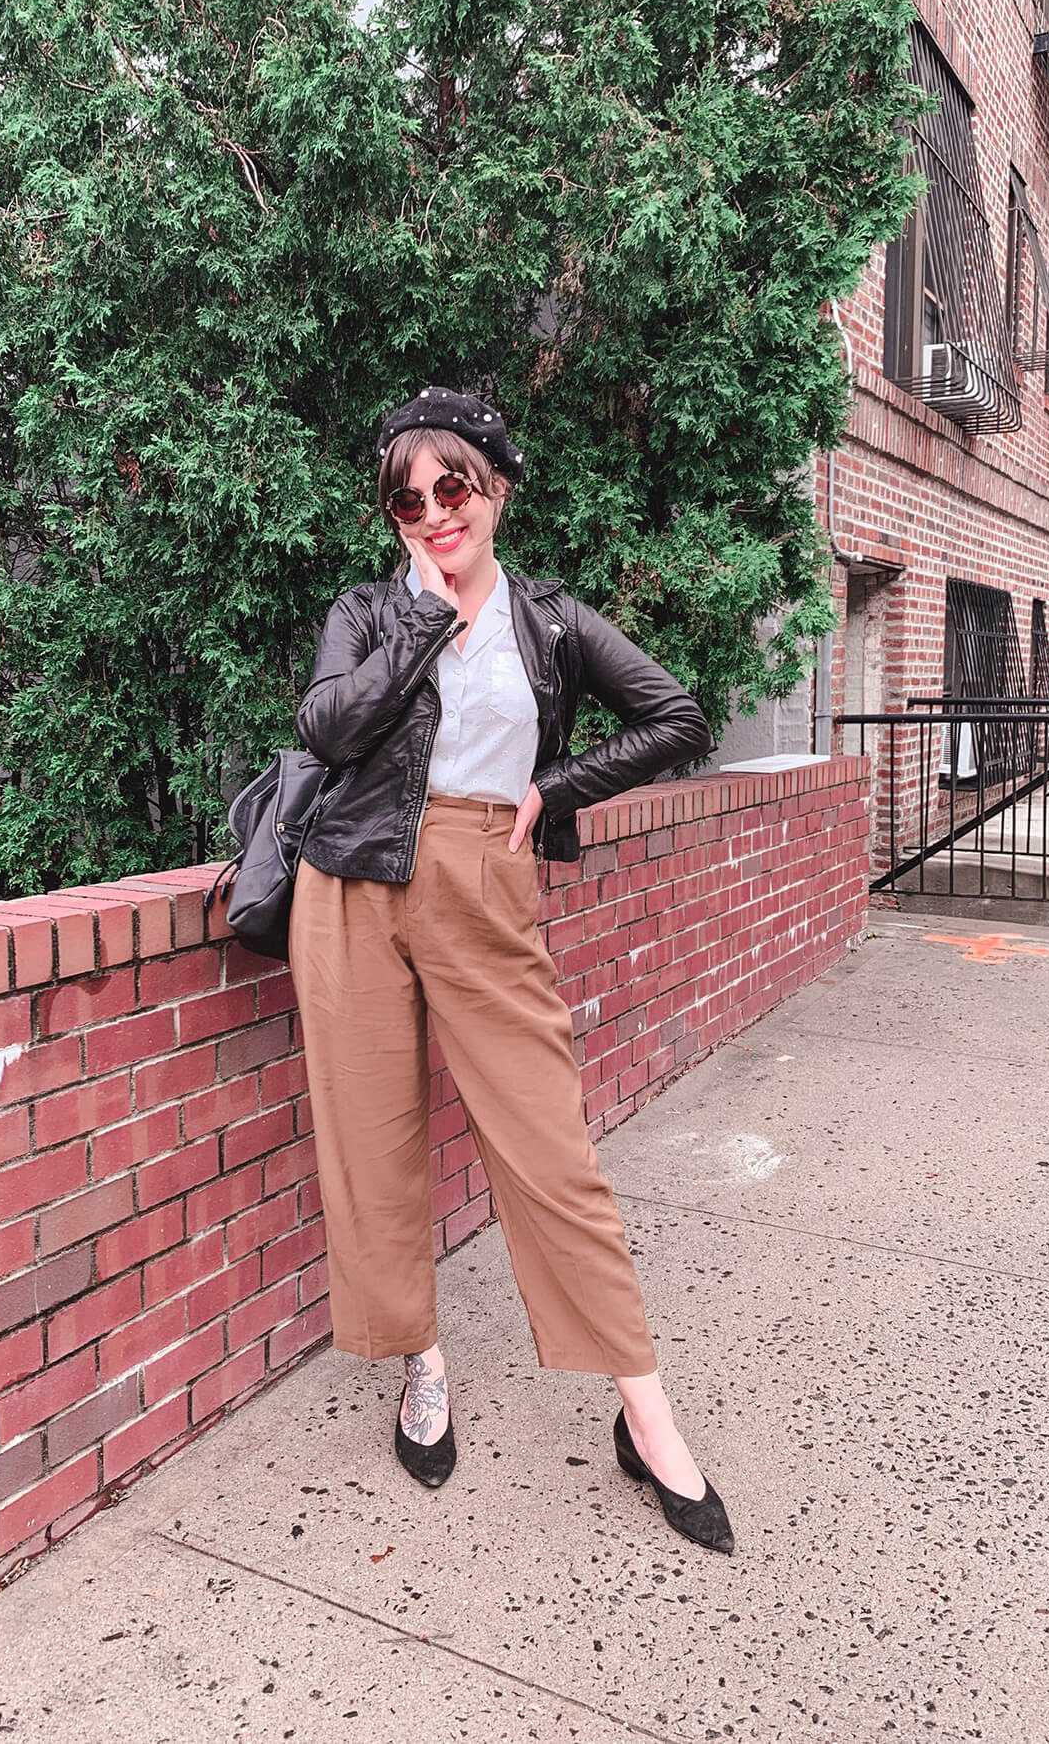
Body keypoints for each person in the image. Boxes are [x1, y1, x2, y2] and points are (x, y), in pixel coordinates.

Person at [286, 386, 734, 1552]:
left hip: (485, 876)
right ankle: (420, 1362)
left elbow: (675, 717)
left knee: (549, 1148)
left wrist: (554, 792)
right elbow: (329, 729)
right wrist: (426, 625)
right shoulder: (365, 611)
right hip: (349, 885)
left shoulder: (552, 620)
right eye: (405, 496)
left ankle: (646, 1413)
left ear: (495, 487)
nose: (431, 513)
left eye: (453, 487)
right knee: (371, 1137)